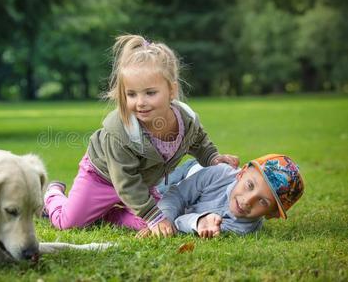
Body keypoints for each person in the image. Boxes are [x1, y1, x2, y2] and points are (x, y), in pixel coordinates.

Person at [43, 34, 239, 237]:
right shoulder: (121, 133)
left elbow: (198, 141)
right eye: (131, 94)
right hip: (102, 178)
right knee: (68, 223)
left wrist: (212, 157)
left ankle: (105, 214)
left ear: (172, 91)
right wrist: (152, 215)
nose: (140, 102)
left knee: (158, 225)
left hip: (141, 184)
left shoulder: (185, 120)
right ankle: (53, 194)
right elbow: (126, 181)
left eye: (150, 93)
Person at [138, 154, 305, 238]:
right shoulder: (219, 175)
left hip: (192, 206)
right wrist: (160, 219)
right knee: (148, 191)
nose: (247, 201)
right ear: (241, 174)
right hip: (190, 176)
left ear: (272, 214)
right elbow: (178, 195)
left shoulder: (241, 228)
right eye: (250, 185)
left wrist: (198, 222)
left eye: (262, 201)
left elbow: (181, 221)